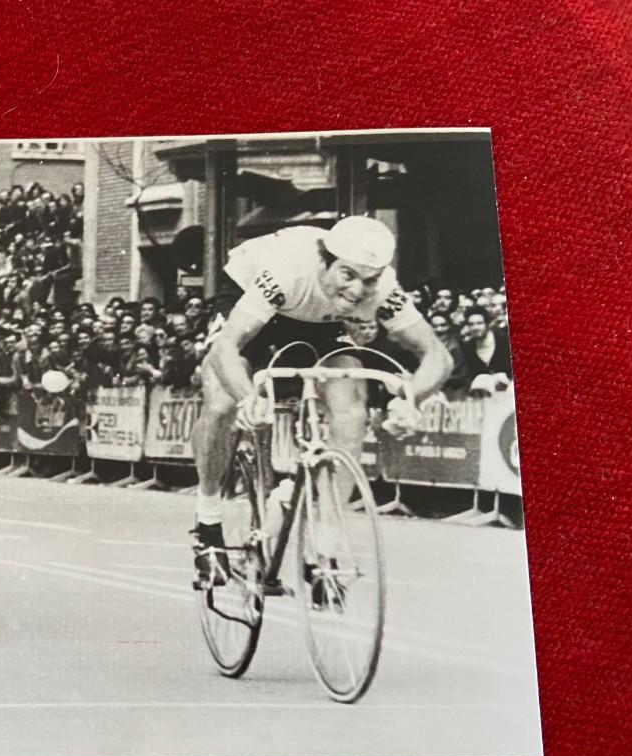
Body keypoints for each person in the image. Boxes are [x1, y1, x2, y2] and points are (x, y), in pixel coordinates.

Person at [189, 216, 453, 592]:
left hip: (322, 321)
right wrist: (248, 396)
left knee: (352, 409)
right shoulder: (288, 269)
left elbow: (438, 357)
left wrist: (412, 398)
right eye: (347, 274)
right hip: (254, 300)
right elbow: (225, 348)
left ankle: (326, 547)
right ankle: (208, 521)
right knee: (221, 404)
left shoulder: (380, 288)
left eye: (369, 280)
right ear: (325, 262)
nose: (358, 290)